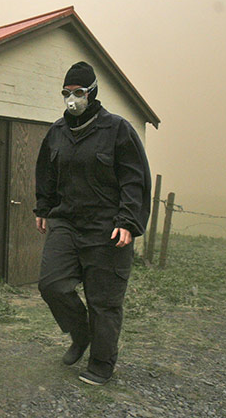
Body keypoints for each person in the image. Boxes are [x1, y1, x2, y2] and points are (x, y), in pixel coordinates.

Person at [34, 61, 151, 386]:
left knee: (104, 301)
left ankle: (101, 364)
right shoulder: (58, 132)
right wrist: (43, 207)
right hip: (67, 223)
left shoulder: (117, 129)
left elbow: (134, 179)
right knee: (52, 284)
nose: (72, 99)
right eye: (67, 93)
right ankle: (81, 333)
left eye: (79, 93)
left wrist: (128, 220)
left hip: (107, 227)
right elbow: (46, 172)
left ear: (93, 92)